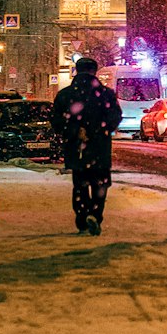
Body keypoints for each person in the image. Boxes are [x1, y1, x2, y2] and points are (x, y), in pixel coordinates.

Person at [52, 57, 122, 236]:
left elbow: (57, 122)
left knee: (80, 184)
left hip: (77, 148)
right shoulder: (106, 94)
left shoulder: (65, 94)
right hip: (100, 148)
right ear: (95, 71)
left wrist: (75, 131)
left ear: (76, 70)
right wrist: (100, 130)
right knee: (100, 184)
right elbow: (114, 117)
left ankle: (82, 217)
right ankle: (96, 214)